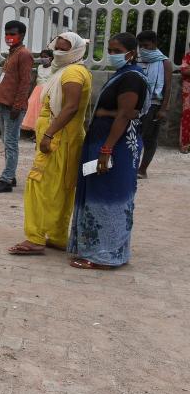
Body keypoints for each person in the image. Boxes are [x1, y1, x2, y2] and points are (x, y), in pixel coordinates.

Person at [68, 33, 151, 269]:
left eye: (116, 51)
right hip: (108, 142)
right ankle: (101, 249)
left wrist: (106, 149)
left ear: (131, 53)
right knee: (100, 193)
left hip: (114, 146)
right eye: (110, 49)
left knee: (108, 197)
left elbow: (126, 114)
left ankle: (104, 256)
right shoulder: (124, 75)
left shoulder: (131, 79)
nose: (112, 54)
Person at [9, 32, 92, 256]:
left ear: (76, 51)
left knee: (39, 186)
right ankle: (56, 235)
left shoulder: (73, 72)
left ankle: (35, 238)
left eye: (65, 48)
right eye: (58, 46)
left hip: (58, 139)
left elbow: (70, 107)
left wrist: (48, 135)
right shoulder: (67, 70)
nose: (58, 52)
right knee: (60, 188)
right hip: (64, 138)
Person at [0, 21, 34, 192]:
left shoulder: (23, 54)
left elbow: (25, 82)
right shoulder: (13, 53)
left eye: (13, 34)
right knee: (6, 141)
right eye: (7, 33)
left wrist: (17, 105)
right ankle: (9, 175)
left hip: (12, 107)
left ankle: (7, 179)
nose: (9, 37)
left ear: (22, 35)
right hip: (4, 104)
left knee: (10, 143)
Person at [135, 30, 173, 178]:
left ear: (154, 44)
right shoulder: (136, 59)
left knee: (149, 138)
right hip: (137, 104)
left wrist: (163, 109)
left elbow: (168, 87)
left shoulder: (164, 62)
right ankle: (131, 167)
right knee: (135, 137)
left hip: (153, 105)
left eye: (146, 45)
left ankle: (142, 170)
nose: (143, 49)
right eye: (140, 46)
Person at [21, 50, 53, 132]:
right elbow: (35, 80)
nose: (43, 58)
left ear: (51, 58)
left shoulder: (53, 68)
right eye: (41, 57)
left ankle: (41, 131)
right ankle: (35, 131)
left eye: (45, 57)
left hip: (47, 90)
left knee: (42, 110)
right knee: (33, 108)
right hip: (37, 90)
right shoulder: (39, 67)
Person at [181, 44, 190, 153]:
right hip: (188, 92)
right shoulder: (187, 57)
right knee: (187, 117)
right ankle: (185, 145)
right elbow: (184, 71)